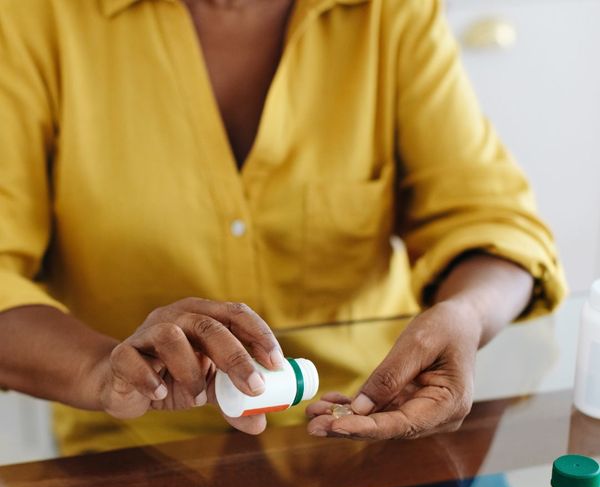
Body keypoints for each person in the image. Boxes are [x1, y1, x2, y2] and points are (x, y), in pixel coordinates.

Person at [0, 0, 566, 455]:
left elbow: (492, 221)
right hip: (142, 452)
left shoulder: (388, 14)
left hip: (372, 417)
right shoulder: (35, 18)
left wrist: (464, 316)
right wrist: (103, 369)